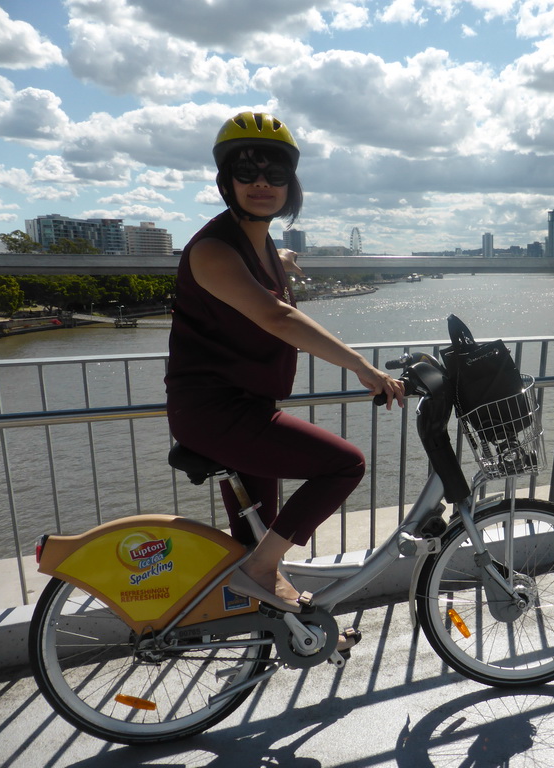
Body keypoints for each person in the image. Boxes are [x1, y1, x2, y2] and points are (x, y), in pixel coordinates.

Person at [165, 111, 404, 642]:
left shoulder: (260, 242)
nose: (261, 184)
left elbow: (267, 264)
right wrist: (361, 366)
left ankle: (281, 624)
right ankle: (257, 577)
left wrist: (285, 258)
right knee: (344, 466)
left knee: (257, 539)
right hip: (218, 412)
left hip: (245, 406)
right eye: (246, 173)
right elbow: (277, 317)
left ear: (290, 185)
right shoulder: (212, 250)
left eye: (275, 174)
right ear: (225, 182)